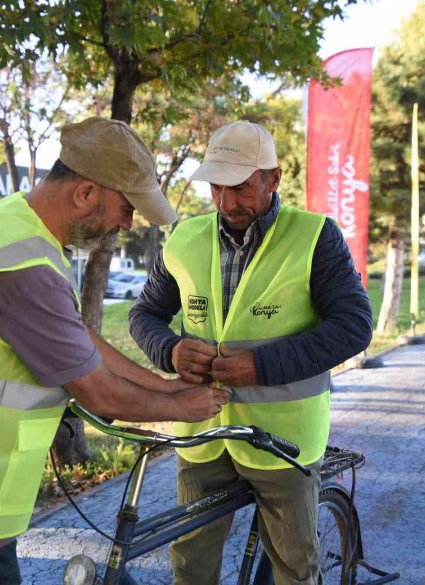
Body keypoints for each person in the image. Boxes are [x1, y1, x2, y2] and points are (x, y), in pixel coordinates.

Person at [0, 116, 229, 583]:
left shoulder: (13, 222)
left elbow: (78, 335)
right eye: (126, 208)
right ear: (84, 193)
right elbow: (100, 395)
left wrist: (159, 384)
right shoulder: (26, 267)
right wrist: (183, 406)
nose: (126, 223)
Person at [128, 120, 374, 585]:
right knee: (191, 566)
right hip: (201, 433)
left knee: (294, 569)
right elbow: (145, 315)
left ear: (274, 178)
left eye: (240, 187)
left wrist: (262, 365)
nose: (226, 202)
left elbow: (354, 326)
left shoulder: (314, 237)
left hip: (282, 440)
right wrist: (170, 348)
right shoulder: (183, 239)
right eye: (216, 188)